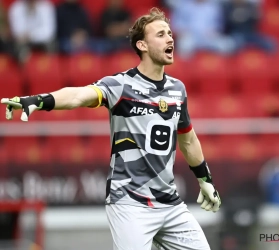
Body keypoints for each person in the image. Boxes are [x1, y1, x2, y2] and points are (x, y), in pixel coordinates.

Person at [1, 8, 221, 250]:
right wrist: (39, 100)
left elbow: (188, 140)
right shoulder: (121, 85)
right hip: (130, 201)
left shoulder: (177, 89)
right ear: (142, 45)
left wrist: (205, 180)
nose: (170, 38)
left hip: (170, 203)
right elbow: (77, 96)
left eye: (169, 33)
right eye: (160, 34)